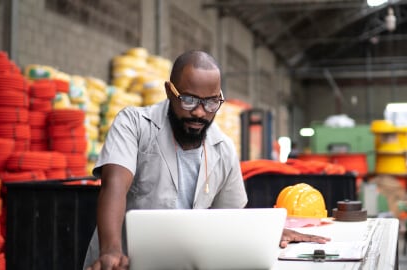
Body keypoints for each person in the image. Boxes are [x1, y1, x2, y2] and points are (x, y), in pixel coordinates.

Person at [84, 50, 330, 270]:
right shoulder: (134, 124)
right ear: (170, 91)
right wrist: (111, 249)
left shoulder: (223, 149)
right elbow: (114, 186)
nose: (200, 112)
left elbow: (231, 220)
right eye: (189, 100)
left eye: (211, 102)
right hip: (123, 264)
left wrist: (270, 234)